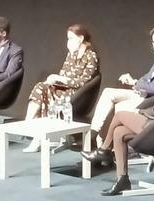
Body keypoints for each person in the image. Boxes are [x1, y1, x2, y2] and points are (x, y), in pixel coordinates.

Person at [82, 40, 154, 196]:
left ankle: (103, 150)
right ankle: (122, 180)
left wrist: (141, 112)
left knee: (120, 115)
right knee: (119, 133)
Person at [88, 24, 154, 148]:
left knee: (120, 107)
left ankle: (114, 147)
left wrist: (137, 84)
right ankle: (93, 134)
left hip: (151, 100)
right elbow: (148, 77)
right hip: (142, 92)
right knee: (108, 92)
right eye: (153, 42)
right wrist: (134, 81)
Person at [20, 23, 100, 152]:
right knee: (41, 87)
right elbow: (63, 73)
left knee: (46, 95)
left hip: (78, 94)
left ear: (80, 38)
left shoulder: (91, 56)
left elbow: (84, 82)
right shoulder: (71, 54)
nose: (68, 42)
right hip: (64, 89)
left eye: (71, 38)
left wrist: (61, 79)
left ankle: (37, 138)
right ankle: (28, 124)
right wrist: (54, 79)